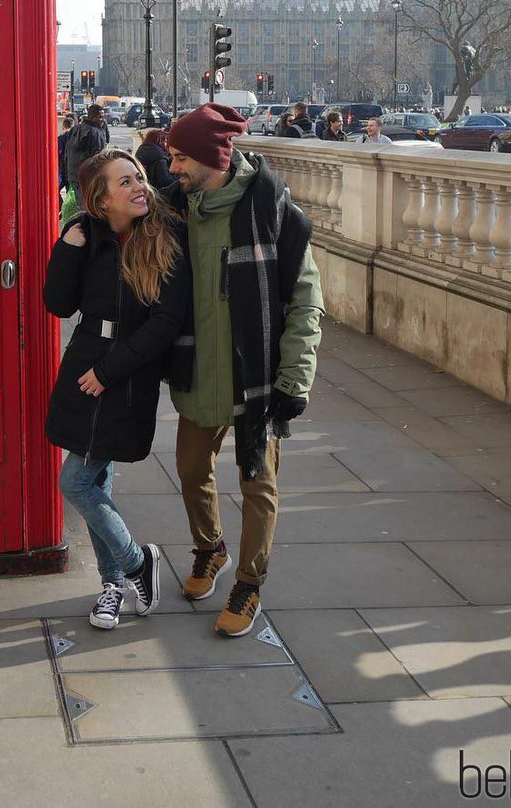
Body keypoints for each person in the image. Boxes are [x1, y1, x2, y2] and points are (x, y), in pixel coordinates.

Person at [163, 104, 324, 637]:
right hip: (198, 371)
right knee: (190, 470)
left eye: (181, 157)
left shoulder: (272, 210)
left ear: (213, 158)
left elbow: (307, 300)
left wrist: (294, 380)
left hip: (257, 378)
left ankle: (249, 584)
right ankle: (211, 549)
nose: (173, 168)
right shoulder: (176, 210)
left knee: (258, 483)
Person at [43, 148, 190, 630]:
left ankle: (134, 562)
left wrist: (110, 371)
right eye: (124, 182)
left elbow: (167, 321)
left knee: (77, 481)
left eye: (139, 178)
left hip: (125, 377)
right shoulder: (90, 238)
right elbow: (59, 305)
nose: (139, 187)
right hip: (84, 364)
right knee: (97, 480)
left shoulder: (164, 239)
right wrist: (66, 245)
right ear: (101, 199)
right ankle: (112, 585)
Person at [65, 104, 110, 206]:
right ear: (92, 117)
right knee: (91, 206)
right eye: (100, 117)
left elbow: (67, 153)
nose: (102, 120)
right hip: (90, 177)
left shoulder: (75, 129)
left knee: (80, 204)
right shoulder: (96, 132)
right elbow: (99, 157)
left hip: (73, 174)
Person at [57, 116, 75, 192]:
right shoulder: (76, 138)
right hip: (72, 170)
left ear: (63, 126)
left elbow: (59, 152)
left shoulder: (61, 138)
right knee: (70, 192)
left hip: (62, 169)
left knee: (55, 190)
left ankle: (60, 203)